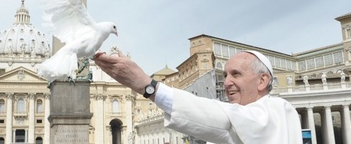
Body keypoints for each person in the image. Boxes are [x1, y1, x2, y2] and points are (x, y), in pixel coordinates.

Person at [94, 50, 302, 144]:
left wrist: (147, 86)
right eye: (225, 75)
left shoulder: (278, 111)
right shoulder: (235, 125)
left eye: (236, 74)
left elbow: (223, 118)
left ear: (262, 80)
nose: (227, 82)